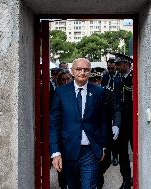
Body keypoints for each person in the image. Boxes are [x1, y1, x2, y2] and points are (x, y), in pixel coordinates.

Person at [50, 58, 107, 189]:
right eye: (79, 69)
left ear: (90, 72)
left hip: (90, 150)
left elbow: (102, 120)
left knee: (89, 186)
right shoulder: (61, 93)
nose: (82, 72)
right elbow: (54, 124)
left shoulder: (98, 92)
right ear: (72, 71)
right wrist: (55, 152)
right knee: (73, 185)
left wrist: (102, 146)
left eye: (86, 70)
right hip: (68, 150)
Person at [89, 68, 121, 189]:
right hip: (88, 134)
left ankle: (97, 178)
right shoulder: (83, 93)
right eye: (92, 80)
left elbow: (116, 109)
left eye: (97, 79)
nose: (94, 82)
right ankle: (95, 182)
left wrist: (116, 124)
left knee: (105, 161)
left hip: (104, 133)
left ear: (100, 80)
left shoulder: (108, 92)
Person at [114, 54, 133, 189]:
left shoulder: (134, 78)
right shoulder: (117, 78)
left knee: (135, 150)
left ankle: (136, 176)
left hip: (132, 121)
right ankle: (126, 179)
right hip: (121, 122)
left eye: (119, 64)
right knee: (122, 153)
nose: (117, 66)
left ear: (126, 64)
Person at [101, 57, 122, 166]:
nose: (110, 68)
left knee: (116, 132)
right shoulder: (104, 77)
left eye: (112, 66)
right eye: (109, 66)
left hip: (118, 107)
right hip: (107, 107)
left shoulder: (120, 77)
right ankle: (107, 154)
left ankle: (115, 155)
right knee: (109, 132)